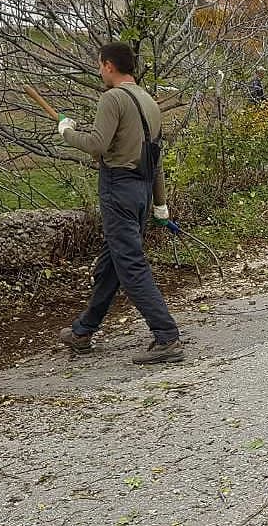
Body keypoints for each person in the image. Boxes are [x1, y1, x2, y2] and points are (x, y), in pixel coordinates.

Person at [55, 42, 183, 364]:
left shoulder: (112, 99)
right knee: (111, 265)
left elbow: (97, 145)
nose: (99, 71)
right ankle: (83, 332)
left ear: (109, 65)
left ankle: (167, 336)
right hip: (141, 191)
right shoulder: (149, 101)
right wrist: (159, 203)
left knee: (130, 266)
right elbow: (155, 159)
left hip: (118, 190)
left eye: (100, 65)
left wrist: (67, 132)